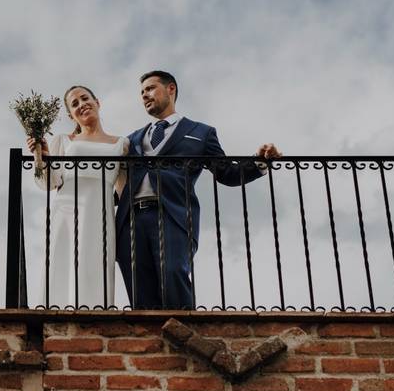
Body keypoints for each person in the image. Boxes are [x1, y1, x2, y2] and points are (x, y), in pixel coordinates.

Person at [114, 71, 281, 309]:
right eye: (141, 93)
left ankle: (186, 334)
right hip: (131, 220)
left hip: (172, 215)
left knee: (173, 273)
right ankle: (148, 342)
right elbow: (117, 181)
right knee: (139, 287)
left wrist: (260, 161)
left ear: (170, 89)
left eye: (150, 89)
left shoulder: (201, 132)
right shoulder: (132, 139)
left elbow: (227, 174)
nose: (145, 96)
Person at [27, 85, 127, 308]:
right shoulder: (64, 141)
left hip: (100, 214)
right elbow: (48, 183)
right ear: (71, 114)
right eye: (75, 104)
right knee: (64, 263)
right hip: (66, 211)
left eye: (85, 98)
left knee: (95, 265)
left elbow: (124, 191)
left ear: (97, 102)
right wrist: (41, 158)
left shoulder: (122, 144)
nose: (82, 104)